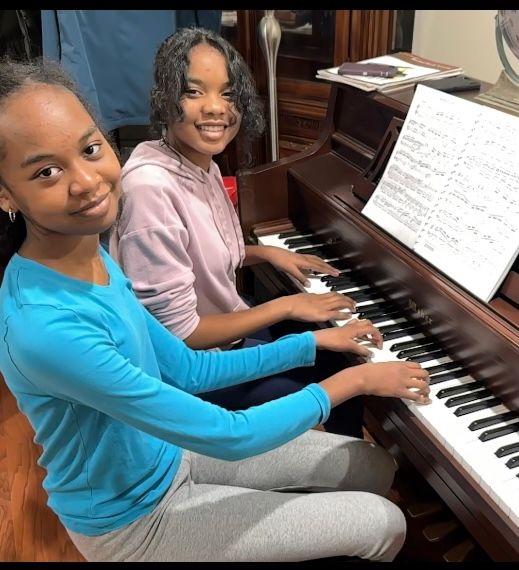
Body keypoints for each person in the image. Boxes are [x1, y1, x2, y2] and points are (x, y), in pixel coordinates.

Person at [0, 58, 431, 562]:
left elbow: (185, 368)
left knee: (371, 467)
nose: (88, 182)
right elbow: (231, 436)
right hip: (133, 520)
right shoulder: (46, 328)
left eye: (91, 149)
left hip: (166, 454)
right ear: (6, 192)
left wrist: (310, 342)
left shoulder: (87, 251)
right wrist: (352, 382)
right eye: (47, 171)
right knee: (382, 523)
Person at [109, 27, 365, 436]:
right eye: (194, 92)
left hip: (226, 334)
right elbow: (184, 336)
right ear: (166, 97)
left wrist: (265, 254)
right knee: (340, 388)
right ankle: (329, 483)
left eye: (227, 94)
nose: (216, 108)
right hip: (194, 378)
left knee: (339, 352)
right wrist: (287, 306)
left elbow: (196, 249)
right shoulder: (149, 187)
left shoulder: (198, 161)